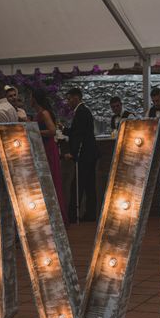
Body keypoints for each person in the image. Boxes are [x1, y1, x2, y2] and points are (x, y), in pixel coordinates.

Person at [61, 87, 99, 223]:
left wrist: (73, 153)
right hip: (90, 153)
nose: (68, 102)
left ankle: (73, 215)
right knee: (89, 185)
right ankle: (90, 214)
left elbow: (79, 135)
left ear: (76, 98)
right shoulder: (84, 111)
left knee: (78, 186)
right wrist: (65, 130)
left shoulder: (81, 112)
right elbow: (77, 132)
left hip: (85, 154)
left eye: (69, 98)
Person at [31, 89, 67, 225]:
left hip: (47, 148)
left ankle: (55, 218)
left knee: (50, 180)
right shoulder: (39, 113)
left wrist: (34, 131)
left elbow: (52, 131)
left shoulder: (44, 113)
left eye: (31, 97)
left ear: (35, 98)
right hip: (44, 147)